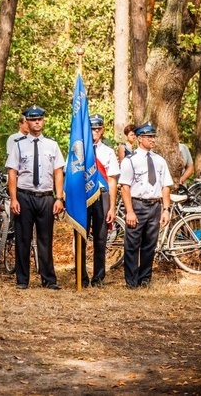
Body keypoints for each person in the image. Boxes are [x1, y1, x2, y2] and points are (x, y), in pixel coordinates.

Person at [6, 105, 65, 290]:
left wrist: (59, 198)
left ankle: (49, 279)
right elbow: (12, 173)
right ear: (27, 122)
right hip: (24, 195)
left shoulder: (52, 145)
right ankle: (22, 280)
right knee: (22, 239)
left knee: (45, 239)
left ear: (43, 121)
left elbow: (58, 172)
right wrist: (13, 198)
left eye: (39, 119)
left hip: (46, 197)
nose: (36, 122)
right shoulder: (19, 145)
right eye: (32, 119)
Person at [119, 122, 173, 289]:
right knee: (132, 245)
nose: (153, 140)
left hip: (155, 205)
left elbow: (165, 186)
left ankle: (145, 279)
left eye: (154, 137)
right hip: (137, 205)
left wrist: (165, 209)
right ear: (140, 138)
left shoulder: (160, 160)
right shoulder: (131, 161)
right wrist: (130, 211)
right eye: (149, 137)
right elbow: (125, 187)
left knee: (150, 244)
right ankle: (131, 281)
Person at [77, 114, 120, 288]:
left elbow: (112, 180)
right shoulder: (78, 150)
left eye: (97, 128)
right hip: (83, 196)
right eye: (91, 128)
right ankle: (81, 276)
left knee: (101, 238)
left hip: (102, 196)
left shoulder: (108, 152)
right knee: (81, 235)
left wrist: (111, 206)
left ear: (102, 130)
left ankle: (98, 277)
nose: (95, 132)